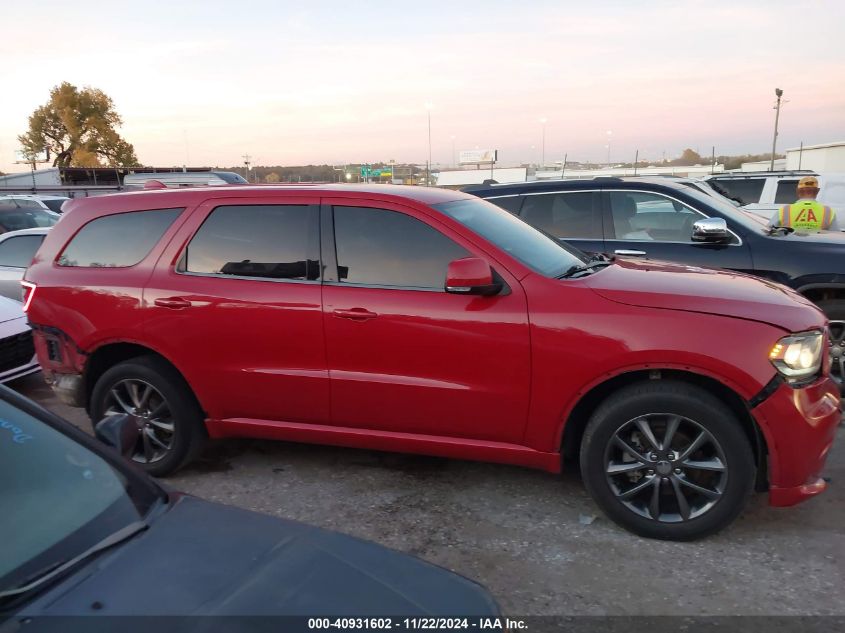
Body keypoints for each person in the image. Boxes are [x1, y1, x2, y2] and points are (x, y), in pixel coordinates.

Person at [770, 176, 842, 231]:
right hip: (817, 249)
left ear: (797, 191)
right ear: (817, 191)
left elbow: (768, 231)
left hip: (791, 248)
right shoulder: (828, 211)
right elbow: (835, 236)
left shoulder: (784, 210)